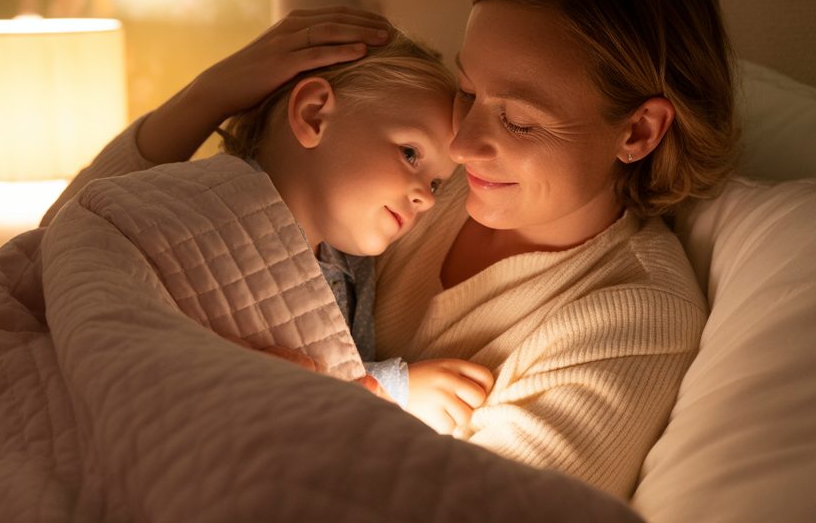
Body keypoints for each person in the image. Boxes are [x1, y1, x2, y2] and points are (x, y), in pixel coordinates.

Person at [50, 0, 737, 499]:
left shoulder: (631, 313)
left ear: (639, 132)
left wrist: (289, 392)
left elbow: (477, 511)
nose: (463, 144)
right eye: (468, 92)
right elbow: (69, 246)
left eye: (519, 122)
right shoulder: (402, 166)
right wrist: (209, 95)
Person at [45, 25, 495, 426]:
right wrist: (399, 390)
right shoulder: (204, 208)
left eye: (437, 182)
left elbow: (328, 364)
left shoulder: (350, 266)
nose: (428, 197)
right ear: (314, 114)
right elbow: (68, 255)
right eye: (410, 154)